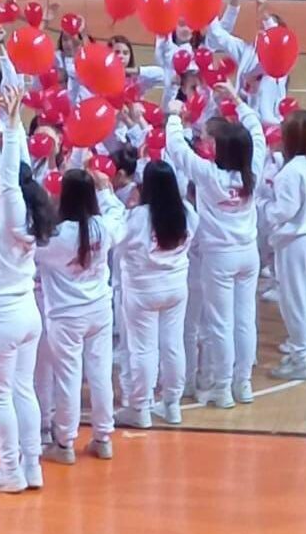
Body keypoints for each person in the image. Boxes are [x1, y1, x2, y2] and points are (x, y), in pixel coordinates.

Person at [0, 84, 57, 493]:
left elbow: (9, 178)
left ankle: (10, 469)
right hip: (25, 316)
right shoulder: (22, 220)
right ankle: (32, 465)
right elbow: (17, 172)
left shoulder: (10, 218)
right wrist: (16, 122)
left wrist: (8, 127)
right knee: (21, 390)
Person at [166, 83, 266, 407]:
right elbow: (259, 134)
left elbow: (176, 149)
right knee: (245, 319)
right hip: (249, 254)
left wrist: (174, 117)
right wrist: (238, 102)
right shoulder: (253, 169)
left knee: (221, 323)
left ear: (220, 149)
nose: (205, 142)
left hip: (219, 258)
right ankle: (244, 384)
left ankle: (222, 389)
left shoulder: (209, 174)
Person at [37, 167, 125, 464]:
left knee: (68, 379)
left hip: (65, 316)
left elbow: (26, 244)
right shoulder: (102, 227)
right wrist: (106, 189)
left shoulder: (55, 237)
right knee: (100, 374)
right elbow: (119, 215)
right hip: (99, 309)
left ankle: (65, 444)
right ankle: (103, 438)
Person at [115, 160, 198, 427]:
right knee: (173, 345)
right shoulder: (185, 211)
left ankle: (140, 408)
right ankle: (172, 405)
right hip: (175, 287)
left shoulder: (138, 217)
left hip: (142, 291)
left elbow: (115, 237)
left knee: (143, 349)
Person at [263, 110, 306, 379]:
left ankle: (300, 357)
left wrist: (264, 206)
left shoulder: (291, 172)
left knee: (294, 301)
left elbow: (282, 211)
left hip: (295, 241)